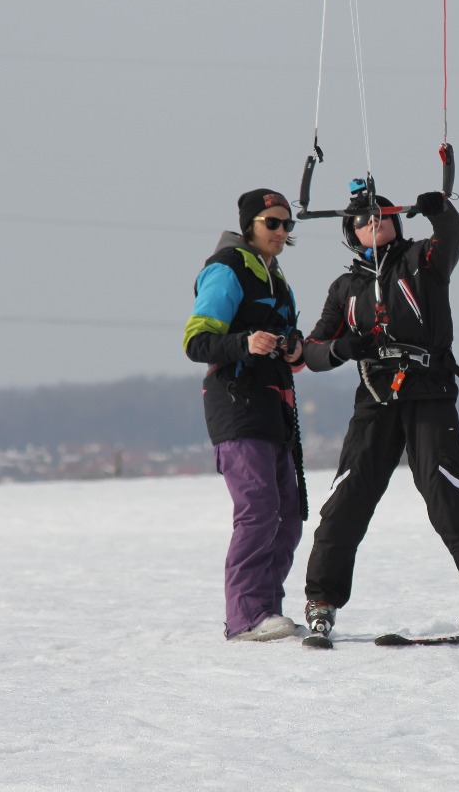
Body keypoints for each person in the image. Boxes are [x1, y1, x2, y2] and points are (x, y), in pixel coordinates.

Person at [299, 182, 459, 637]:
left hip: (428, 391)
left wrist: (439, 210)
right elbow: (312, 351)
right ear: (351, 232)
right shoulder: (345, 288)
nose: (374, 221)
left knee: (447, 494)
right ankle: (321, 599)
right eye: (363, 218)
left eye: (382, 214)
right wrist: (341, 348)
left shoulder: (424, 260)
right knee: (348, 496)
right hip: (375, 397)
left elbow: (453, 233)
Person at [183, 188, 308, 642]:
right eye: (271, 222)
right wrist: (245, 342)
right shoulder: (227, 268)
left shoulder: (276, 277)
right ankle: (246, 616)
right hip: (237, 404)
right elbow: (196, 342)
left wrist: (294, 348)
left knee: (287, 515)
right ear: (249, 224)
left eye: (286, 224)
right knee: (258, 510)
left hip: (275, 406)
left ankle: (268, 610)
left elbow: (287, 341)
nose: (280, 231)